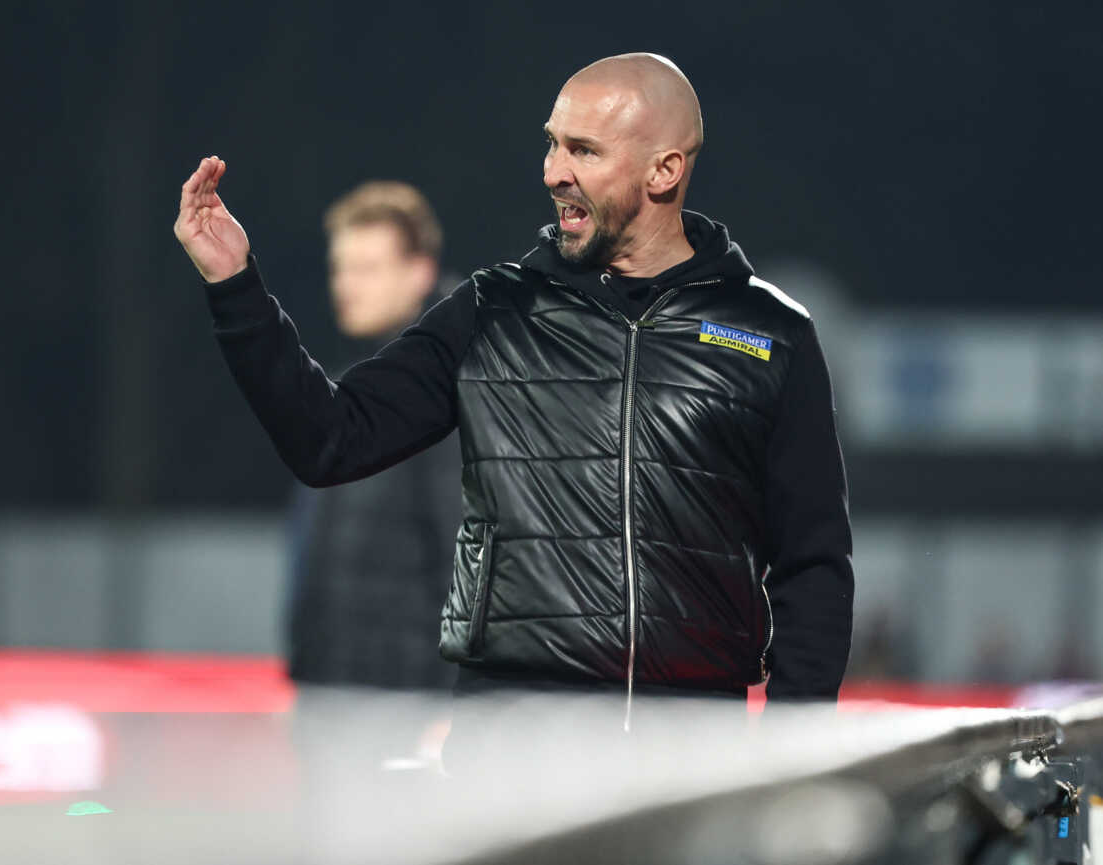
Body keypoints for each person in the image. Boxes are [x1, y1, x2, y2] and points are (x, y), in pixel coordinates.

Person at [175, 53, 853, 750]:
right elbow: (330, 437)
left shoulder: (773, 336)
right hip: (509, 757)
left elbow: (814, 568)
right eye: (552, 142)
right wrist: (236, 289)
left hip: (687, 760)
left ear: (664, 170)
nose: (553, 170)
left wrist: (785, 757)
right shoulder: (491, 312)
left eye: (583, 149)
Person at [284, 181, 461, 770]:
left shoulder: (451, 394)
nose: (345, 284)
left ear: (419, 273)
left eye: (365, 267)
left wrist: (450, 705)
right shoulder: (359, 384)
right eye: (340, 268)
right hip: (337, 704)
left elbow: (470, 562)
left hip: (404, 712)